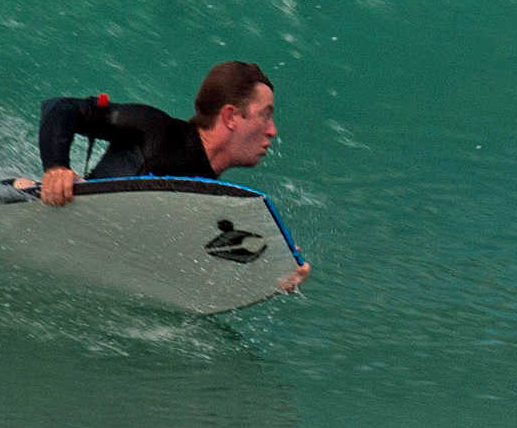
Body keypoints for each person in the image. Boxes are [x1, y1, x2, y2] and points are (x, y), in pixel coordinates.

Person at [30, 59, 309, 291]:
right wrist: (56, 168)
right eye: (265, 115)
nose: (272, 130)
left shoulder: (206, 197)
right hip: (52, 222)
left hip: (88, 255)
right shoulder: (154, 129)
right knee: (23, 186)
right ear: (231, 116)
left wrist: (272, 271)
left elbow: (190, 266)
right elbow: (60, 108)